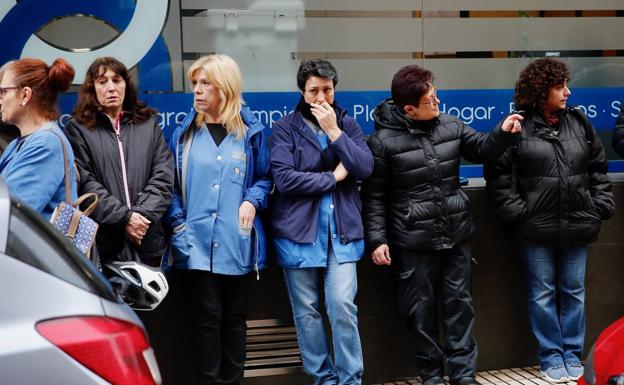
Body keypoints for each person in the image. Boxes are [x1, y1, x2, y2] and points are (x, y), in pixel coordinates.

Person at [362, 64, 523, 385]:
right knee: (420, 315)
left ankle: (464, 377)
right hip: (412, 242)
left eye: (436, 96)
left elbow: (481, 149)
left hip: (455, 235)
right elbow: (374, 196)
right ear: (408, 109)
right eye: (430, 100)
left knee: (460, 308)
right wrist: (378, 240)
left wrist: (503, 132)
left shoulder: (450, 124)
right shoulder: (381, 143)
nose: (437, 103)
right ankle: (432, 377)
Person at [485, 58, 614, 383]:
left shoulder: (579, 122)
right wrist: (519, 213)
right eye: (560, 87)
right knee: (542, 292)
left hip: (578, 222)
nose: (568, 92)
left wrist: (598, 204)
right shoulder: (516, 126)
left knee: (573, 290)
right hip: (535, 227)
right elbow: (498, 175)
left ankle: (572, 353)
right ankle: (550, 356)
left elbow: (598, 168)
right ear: (541, 91)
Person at [166, 54, 271, 385]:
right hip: (194, 244)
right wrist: (179, 226)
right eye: (195, 83)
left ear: (225, 88)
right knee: (206, 319)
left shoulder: (251, 133)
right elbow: (169, 189)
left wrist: (253, 200)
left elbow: (266, 178)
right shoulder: (184, 135)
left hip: (235, 242)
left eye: (205, 83)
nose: (196, 90)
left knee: (235, 320)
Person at [270, 58, 373, 385]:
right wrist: (332, 177)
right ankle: (323, 379)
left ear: (334, 89)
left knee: (342, 306)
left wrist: (334, 131)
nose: (321, 98)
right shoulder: (285, 127)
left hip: (342, 234)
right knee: (307, 314)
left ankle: (350, 379)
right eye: (314, 90)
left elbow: (365, 168)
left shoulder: (348, 125)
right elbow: (285, 180)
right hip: (298, 234)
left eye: (327, 90)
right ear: (302, 91)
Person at [65, 57, 173, 268]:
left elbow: (164, 176)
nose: (111, 88)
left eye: (117, 80)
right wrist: (125, 219)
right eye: (102, 82)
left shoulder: (148, 125)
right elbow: (86, 184)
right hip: (103, 243)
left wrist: (140, 218)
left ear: (126, 85)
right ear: (92, 88)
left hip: (146, 237)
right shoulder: (78, 129)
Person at [0, 57, 77, 218]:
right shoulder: (20, 142)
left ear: (25, 95)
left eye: (3, 92)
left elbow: (11, 214)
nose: (0, 100)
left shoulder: (46, 144)